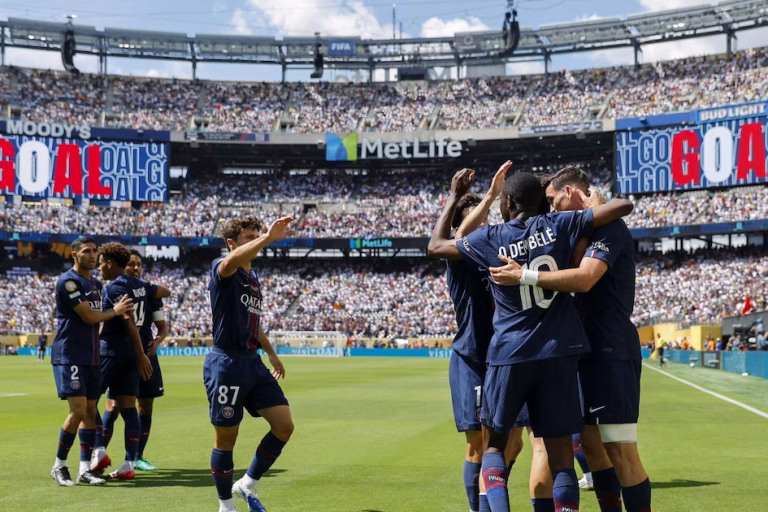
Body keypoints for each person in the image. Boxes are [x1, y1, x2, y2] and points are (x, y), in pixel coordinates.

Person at [428, 168, 634, 512]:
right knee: (561, 459)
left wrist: (457, 197)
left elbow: (436, 246)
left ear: (508, 201)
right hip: (558, 353)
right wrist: (589, 202)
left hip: (509, 354)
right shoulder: (561, 226)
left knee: (494, 447)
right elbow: (623, 206)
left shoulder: (492, 236)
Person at [489, 166, 651, 512]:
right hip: (578, 352)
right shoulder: (570, 231)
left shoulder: (609, 228)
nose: (549, 209)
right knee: (591, 448)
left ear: (571, 193)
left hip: (610, 350)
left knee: (621, 451)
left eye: (552, 200)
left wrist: (525, 275)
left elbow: (586, 278)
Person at [443, 162, 529, 512]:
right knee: (479, 447)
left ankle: (490, 497)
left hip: (505, 357)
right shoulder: (459, 256)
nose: (483, 223)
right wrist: (481, 195)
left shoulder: (497, 249)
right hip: (473, 357)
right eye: (476, 218)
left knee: (515, 443)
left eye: (485, 217)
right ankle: (480, 507)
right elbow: (460, 235)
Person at [204, 216, 295, 512]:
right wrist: (268, 238)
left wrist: (270, 352)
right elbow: (229, 263)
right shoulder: (223, 267)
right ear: (232, 243)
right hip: (227, 363)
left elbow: (252, 322)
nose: (255, 240)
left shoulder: (252, 278)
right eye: (249, 237)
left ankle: (247, 483)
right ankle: (226, 505)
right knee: (226, 440)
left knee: (284, 425)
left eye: (257, 235)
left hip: (252, 363)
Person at [50, 237, 133, 486]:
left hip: (92, 357)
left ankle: (85, 469)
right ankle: (59, 465)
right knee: (77, 411)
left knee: (88, 412)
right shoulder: (68, 282)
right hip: (70, 356)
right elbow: (88, 317)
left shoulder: (95, 283)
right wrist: (115, 312)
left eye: (94, 251)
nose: (92, 255)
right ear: (74, 255)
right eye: (86, 251)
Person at [93, 242, 168, 481]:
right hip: (133, 357)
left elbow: (128, 323)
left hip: (114, 353)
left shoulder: (116, 287)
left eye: (101, 261)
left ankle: (98, 451)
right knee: (126, 407)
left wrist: (141, 354)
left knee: (87, 402)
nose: (99, 266)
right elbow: (163, 292)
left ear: (110, 263)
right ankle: (128, 463)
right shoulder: (142, 287)